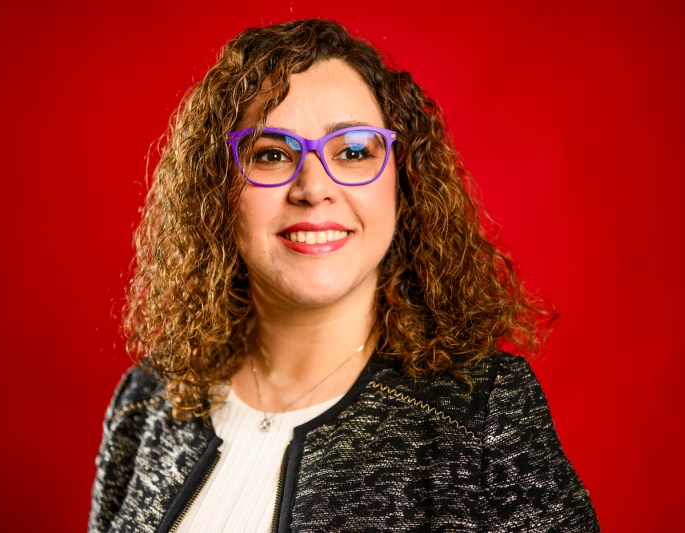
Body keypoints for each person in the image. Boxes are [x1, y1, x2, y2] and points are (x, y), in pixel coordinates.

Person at [88, 19, 598, 532]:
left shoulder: (481, 411)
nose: (314, 188)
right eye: (271, 154)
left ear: (404, 181)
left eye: (353, 152)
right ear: (216, 189)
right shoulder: (147, 402)